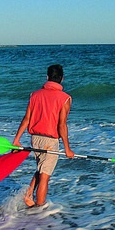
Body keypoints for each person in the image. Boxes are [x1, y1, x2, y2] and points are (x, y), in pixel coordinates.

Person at [12, 64, 74, 207]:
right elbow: (62, 125)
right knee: (45, 176)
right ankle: (39, 212)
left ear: (47, 77)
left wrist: (17, 139)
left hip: (36, 139)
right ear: (62, 79)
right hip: (50, 141)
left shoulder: (35, 95)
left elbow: (26, 119)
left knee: (41, 169)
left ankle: (28, 193)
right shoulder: (65, 98)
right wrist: (67, 148)